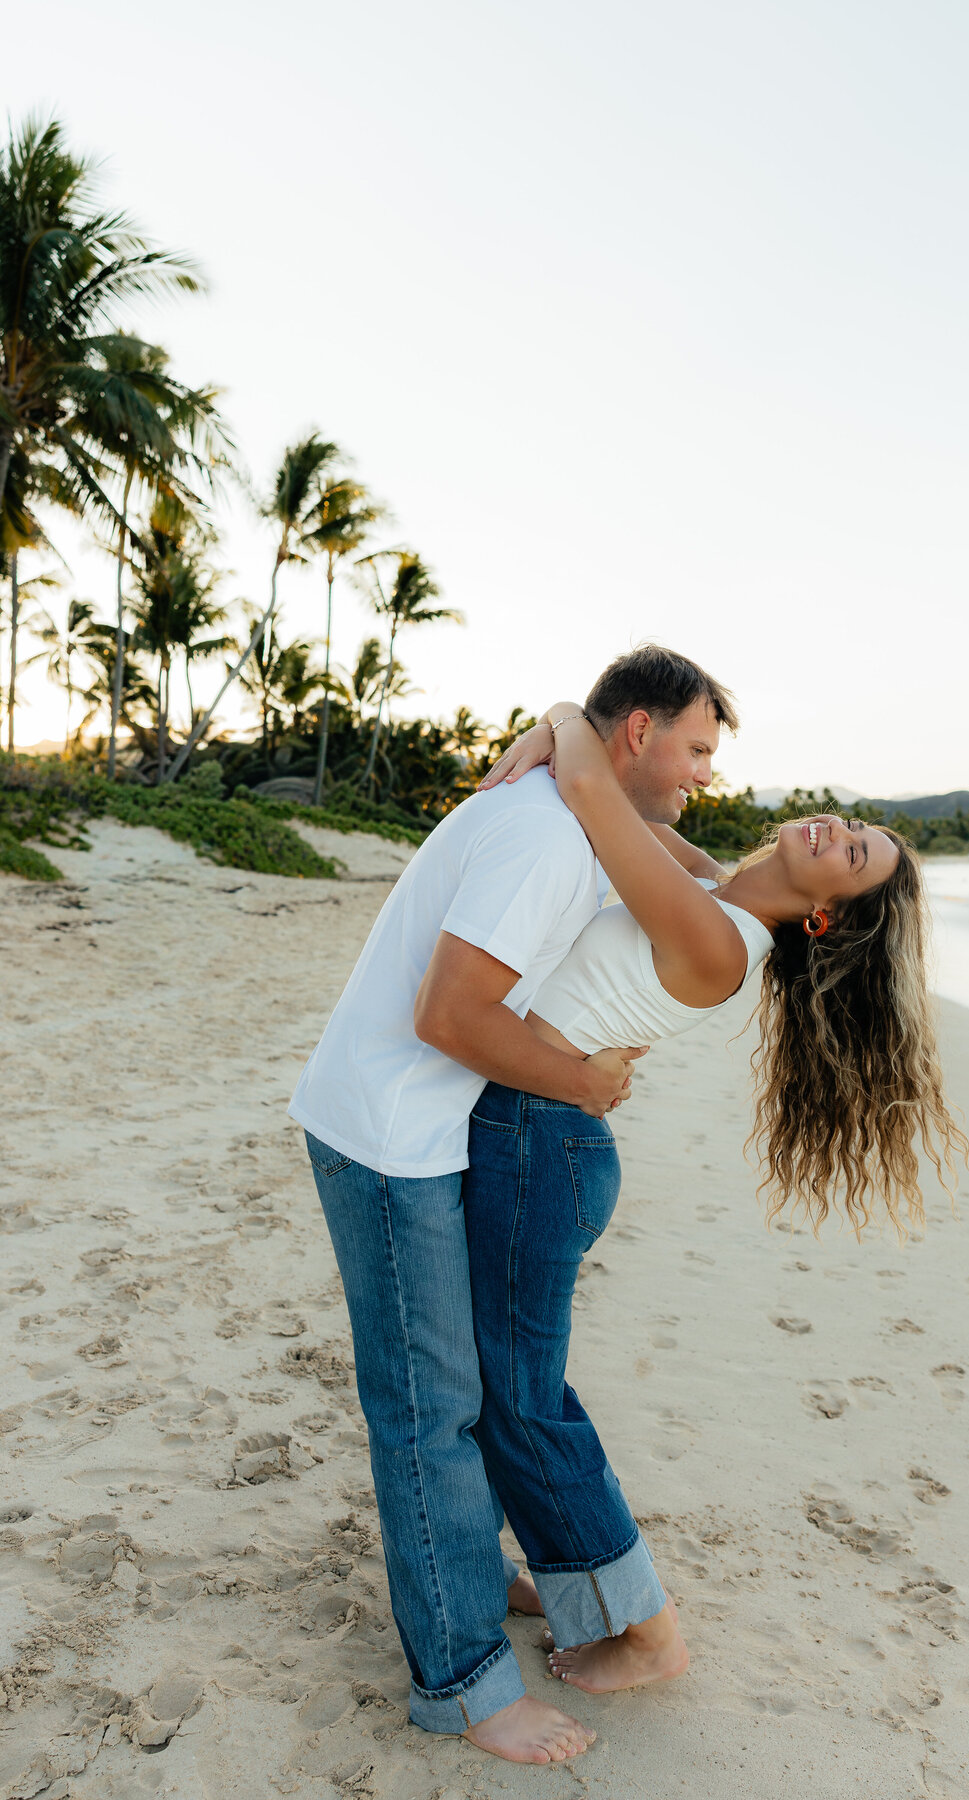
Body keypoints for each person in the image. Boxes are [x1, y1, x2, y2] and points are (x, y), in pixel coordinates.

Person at [287, 645, 737, 1765]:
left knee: (465, 1389)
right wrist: (584, 1082)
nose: (703, 777)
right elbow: (453, 1012)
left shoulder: (579, 817)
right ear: (636, 731)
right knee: (430, 1407)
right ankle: (467, 1687)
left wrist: (561, 726)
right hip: (390, 1132)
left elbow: (701, 867)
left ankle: (478, 1581)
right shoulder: (545, 839)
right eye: (693, 750)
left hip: (420, 1125)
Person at [464, 700, 967, 1697]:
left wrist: (563, 717)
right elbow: (637, 819)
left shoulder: (715, 933)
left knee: (519, 1396)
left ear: (825, 916)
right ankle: (533, 1571)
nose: (838, 829)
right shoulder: (713, 891)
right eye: (854, 824)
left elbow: (595, 796)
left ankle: (648, 1631)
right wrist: (573, 748)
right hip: (536, 1136)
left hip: (537, 1142)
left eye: (854, 853)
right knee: (507, 1384)